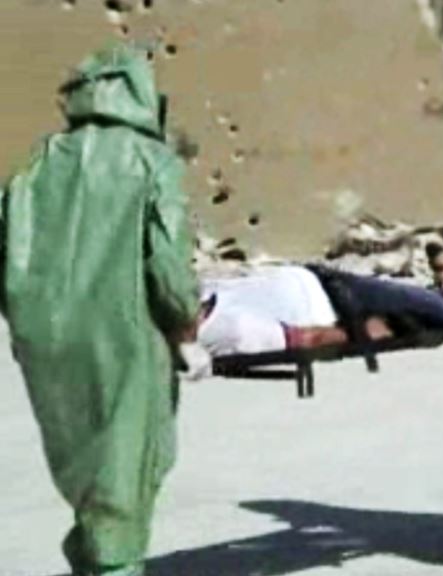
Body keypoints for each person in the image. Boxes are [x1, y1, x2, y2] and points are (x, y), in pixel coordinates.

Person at [0, 45, 200, 576]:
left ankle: (89, 562)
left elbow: (8, 253)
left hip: (45, 343)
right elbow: (168, 261)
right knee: (126, 473)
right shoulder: (149, 161)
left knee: (83, 465)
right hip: (125, 339)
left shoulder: (38, 164)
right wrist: (186, 327)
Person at [195, 258, 443, 360]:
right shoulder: (230, 329)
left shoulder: (196, 293)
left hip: (322, 279)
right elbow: (311, 337)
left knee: (442, 302)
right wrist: (373, 334)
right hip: (337, 301)